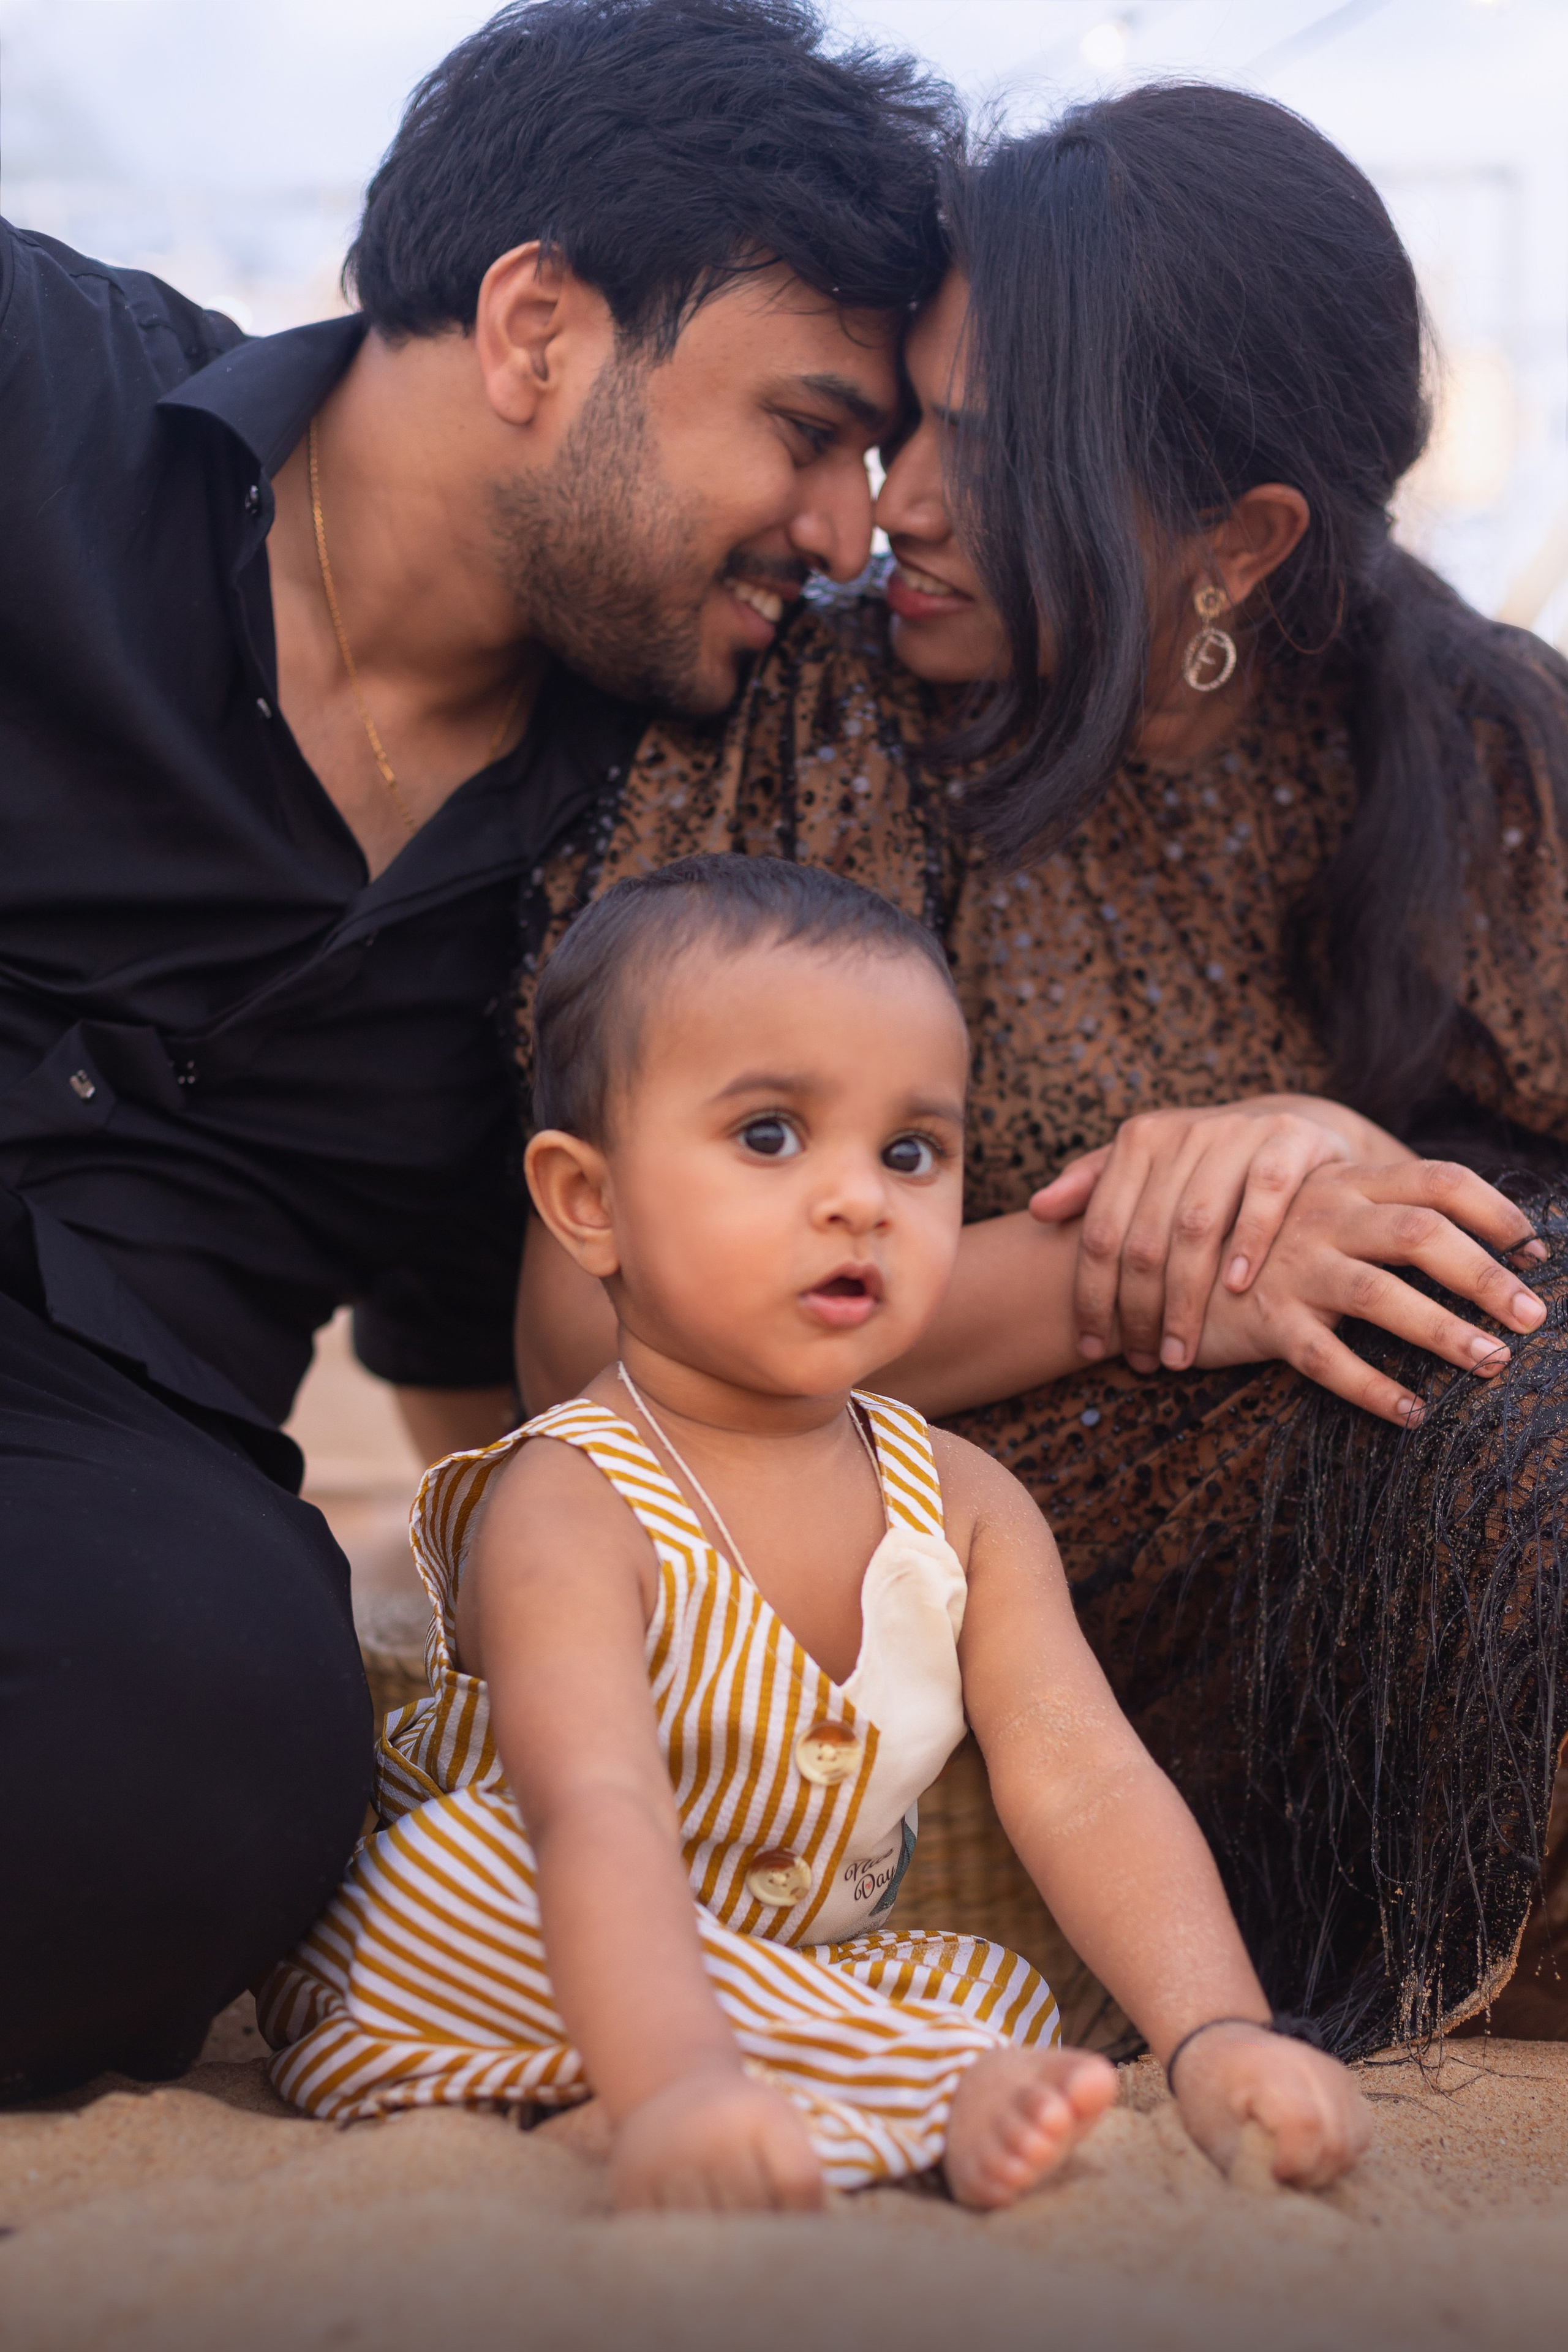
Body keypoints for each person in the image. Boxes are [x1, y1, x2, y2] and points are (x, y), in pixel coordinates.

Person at [512, 85, 1568, 2052]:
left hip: (1442, 1583)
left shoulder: (1472, 749)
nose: (894, 503)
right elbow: (581, 1356)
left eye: (988, 458)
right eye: (907, 418)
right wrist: (1141, 1276)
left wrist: (1338, 1156)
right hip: (1027, 1675)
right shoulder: (789, 741)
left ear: (1238, 543)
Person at [0, 0, 958, 2100]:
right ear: (538, 328)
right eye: (806, 428)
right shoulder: (37, 389)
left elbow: (511, 1363)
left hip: (88, 1452)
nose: (838, 532)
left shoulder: (630, 853)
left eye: (872, 469)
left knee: (222, 1739)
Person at [261, 854, 1368, 2209]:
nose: (860, 1199)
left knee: (1001, 1980)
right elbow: (590, 1807)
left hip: (805, 1971)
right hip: (520, 1939)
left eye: (912, 1153)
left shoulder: (959, 1502)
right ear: (587, 1204)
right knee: (448, 1879)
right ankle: (786, 2092)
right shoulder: (570, 1498)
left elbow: (1080, 1776)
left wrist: (1216, 2035)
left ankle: (785, 2090)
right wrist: (676, 2080)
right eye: (770, 1135)